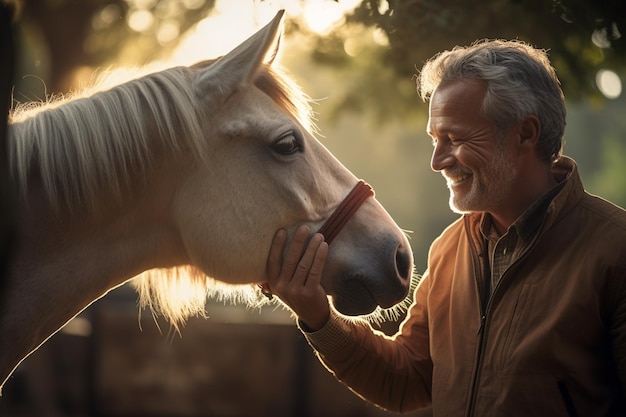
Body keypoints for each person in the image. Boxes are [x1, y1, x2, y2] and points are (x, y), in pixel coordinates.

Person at [262, 39, 626, 416]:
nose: (437, 162)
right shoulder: (449, 249)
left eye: (455, 138)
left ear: (525, 134)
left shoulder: (615, 252)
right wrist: (317, 316)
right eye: (436, 140)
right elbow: (404, 381)